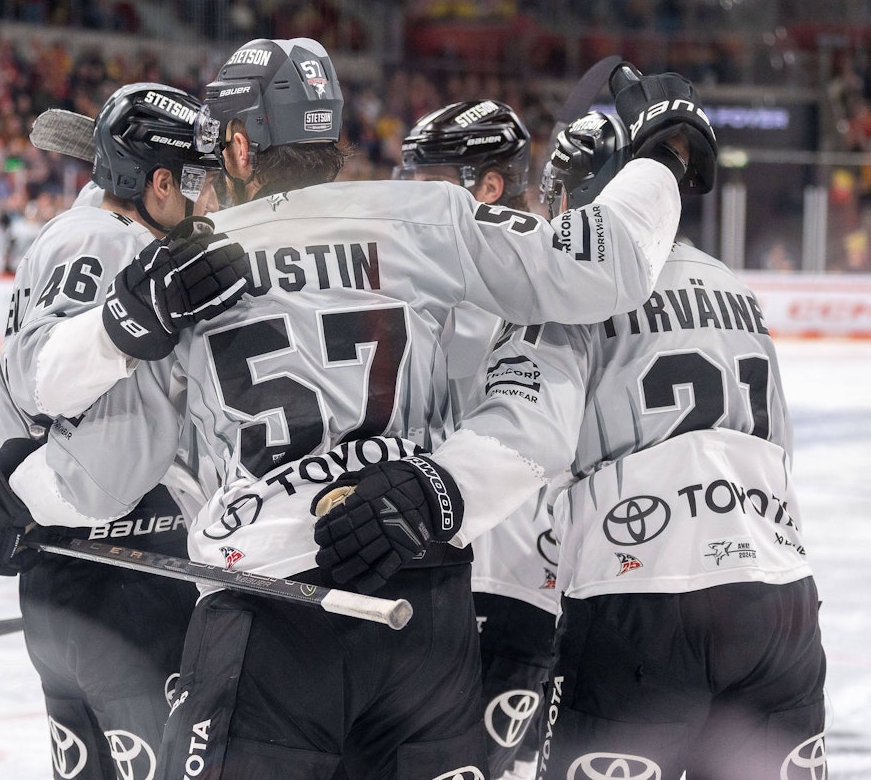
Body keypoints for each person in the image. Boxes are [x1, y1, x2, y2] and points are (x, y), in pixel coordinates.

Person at [0, 43, 714, 780]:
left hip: (268, 615)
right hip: (424, 603)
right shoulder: (433, 215)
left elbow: (105, 476)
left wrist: (16, 500)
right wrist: (659, 154)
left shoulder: (193, 259)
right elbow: (606, 263)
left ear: (235, 145)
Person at [340, 106, 826, 779]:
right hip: (780, 592)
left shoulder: (568, 286)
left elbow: (529, 431)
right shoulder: (732, 287)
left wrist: (430, 494)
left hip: (634, 590)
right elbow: (777, 442)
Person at [0, 82, 251, 780]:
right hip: (121, 572)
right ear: (157, 183)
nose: (206, 198)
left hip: (76, 570)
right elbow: (45, 374)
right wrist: (134, 318)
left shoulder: (109, 235)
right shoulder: (102, 238)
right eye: (194, 181)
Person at [397, 99, 558, 780]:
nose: (406, 194)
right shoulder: (559, 265)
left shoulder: (473, 272)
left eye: (425, 177)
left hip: (492, 572)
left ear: (484, 187)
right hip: (532, 575)